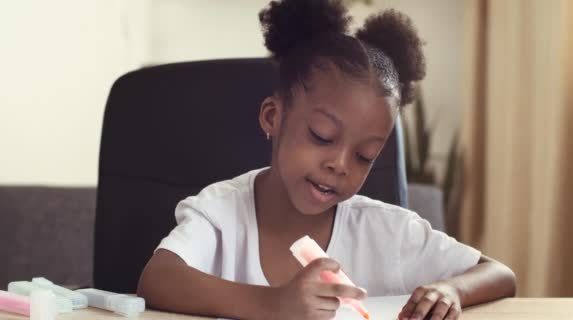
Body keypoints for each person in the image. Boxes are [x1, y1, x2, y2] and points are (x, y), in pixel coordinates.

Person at [137, 1, 516, 319]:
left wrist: (450, 290)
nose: (340, 164)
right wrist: (274, 303)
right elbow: (157, 279)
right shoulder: (221, 213)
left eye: (365, 156)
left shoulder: (387, 232)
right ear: (273, 117)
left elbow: (499, 273)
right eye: (321, 136)